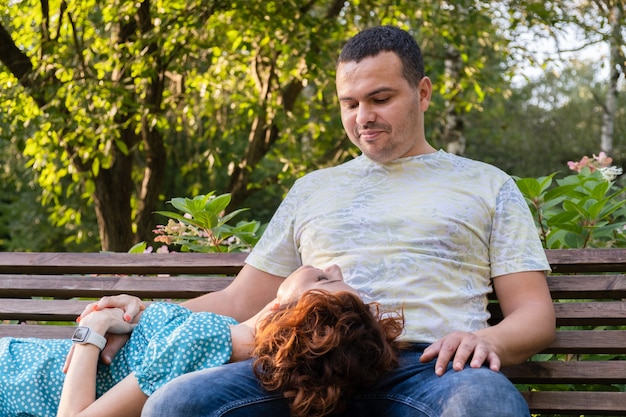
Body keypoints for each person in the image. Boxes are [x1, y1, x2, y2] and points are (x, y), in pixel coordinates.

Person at [89, 25, 556, 417]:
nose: (363, 117)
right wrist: (143, 314)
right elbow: (239, 299)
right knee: (179, 403)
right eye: (349, 103)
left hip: (432, 369)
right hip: (306, 367)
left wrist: (482, 339)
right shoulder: (313, 189)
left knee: (488, 403)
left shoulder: (486, 185)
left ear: (423, 92)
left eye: (380, 98)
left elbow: (534, 314)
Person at [0, 265, 403, 417]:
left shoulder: (206, 340)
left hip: (13, 378)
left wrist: (94, 330)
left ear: (291, 311)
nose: (330, 265)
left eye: (325, 280)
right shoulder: (224, 335)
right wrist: (137, 314)